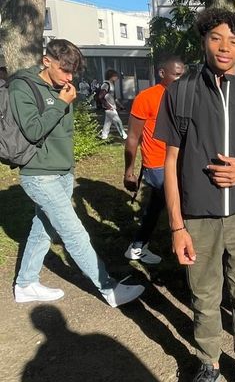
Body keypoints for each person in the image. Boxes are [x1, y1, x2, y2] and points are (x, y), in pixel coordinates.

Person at [154, 8, 235, 382]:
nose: (225, 47)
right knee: (204, 297)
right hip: (198, 219)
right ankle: (208, 364)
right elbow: (170, 162)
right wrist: (177, 226)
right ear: (204, 41)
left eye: (234, 40)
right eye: (216, 38)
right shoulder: (182, 92)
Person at [10, 39, 145, 307]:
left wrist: (69, 168)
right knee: (74, 232)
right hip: (39, 174)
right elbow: (33, 131)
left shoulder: (62, 87)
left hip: (62, 172)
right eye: (64, 70)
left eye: (72, 72)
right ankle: (108, 289)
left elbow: (62, 133)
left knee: (44, 227)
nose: (69, 78)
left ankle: (25, 284)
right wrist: (61, 102)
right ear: (46, 61)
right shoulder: (22, 87)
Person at [122, 55, 185, 265]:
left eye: (183, 75)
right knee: (181, 206)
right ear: (162, 73)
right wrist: (129, 171)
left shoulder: (184, 96)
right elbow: (133, 137)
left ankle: (137, 246)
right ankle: (187, 250)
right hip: (157, 165)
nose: (180, 79)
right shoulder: (146, 97)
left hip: (179, 162)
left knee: (156, 207)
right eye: (176, 75)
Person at [99, 69, 127, 140]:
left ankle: (104, 136)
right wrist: (108, 106)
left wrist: (120, 106)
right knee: (118, 121)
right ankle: (124, 135)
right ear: (111, 76)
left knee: (107, 123)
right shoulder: (106, 84)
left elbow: (114, 97)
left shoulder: (111, 84)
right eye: (115, 76)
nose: (117, 77)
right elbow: (101, 96)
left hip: (111, 107)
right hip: (109, 108)